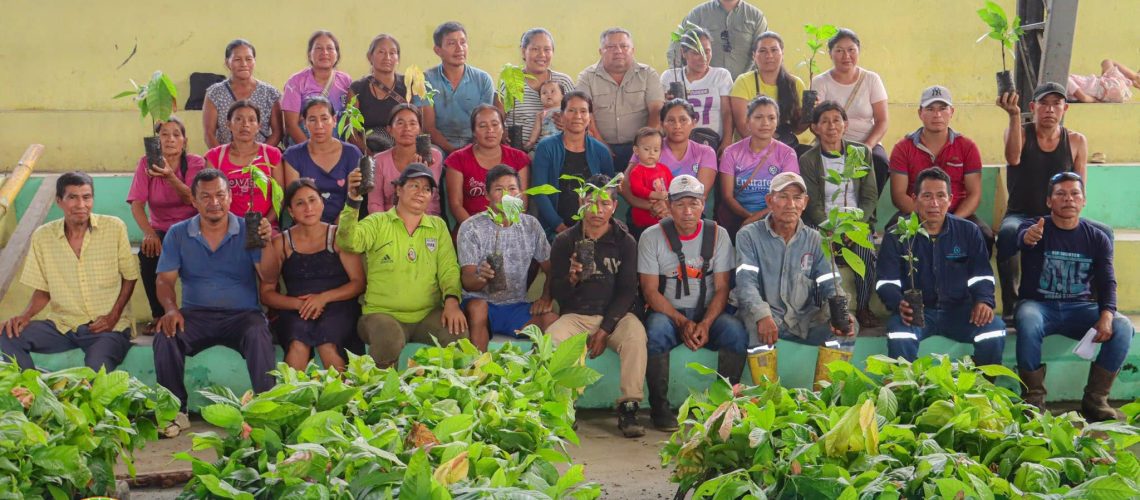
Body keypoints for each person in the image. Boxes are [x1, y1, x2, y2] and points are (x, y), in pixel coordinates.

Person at [153, 168, 276, 434]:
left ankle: (266, 411)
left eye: (220, 195)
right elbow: (164, 280)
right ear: (194, 201)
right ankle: (175, 412)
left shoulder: (249, 229)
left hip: (242, 316)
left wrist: (266, 243)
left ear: (231, 197)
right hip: (196, 315)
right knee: (166, 335)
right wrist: (171, 309)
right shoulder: (178, 233)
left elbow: (269, 276)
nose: (214, 202)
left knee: (258, 332)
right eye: (205, 197)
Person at [1015, 172, 1134, 420]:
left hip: (1080, 308)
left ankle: (1095, 399)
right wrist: (1028, 238)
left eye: (1074, 193)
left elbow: (1107, 281)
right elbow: (1023, 239)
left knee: (1122, 326)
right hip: (1039, 306)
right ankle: (1033, 399)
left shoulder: (1097, 237)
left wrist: (1106, 314)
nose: (1068, 199)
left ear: (1083, 200)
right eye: (1060, 193)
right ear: (1049, 201)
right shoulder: (1035, 227)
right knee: (1027, 319)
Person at [996, 82, 1111, 320]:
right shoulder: (1018, 130)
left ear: (1065, 108)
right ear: (1032, 106)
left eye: (1056, 104)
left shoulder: (1077, 140)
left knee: (1104, 233)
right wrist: (1014, 115)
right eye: (1044, 104)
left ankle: (1097, 301)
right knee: (1007, 233)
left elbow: (1079, 187)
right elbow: (1012, 158)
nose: (1050, 109)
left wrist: (1072, 217)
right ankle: (1011, 304)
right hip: (1022, 214)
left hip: (1060, 217)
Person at [639, 175, 745, 431]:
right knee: (655, 332)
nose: (687, 212)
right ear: (668, 205)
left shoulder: (718, 235)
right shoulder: (652, 236)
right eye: (679, 204)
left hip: (709, 313)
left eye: (694, 204)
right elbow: (650, 291)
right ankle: (660, 408)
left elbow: (722, 288)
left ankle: (725, 406)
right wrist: (681, 321)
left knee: (735, 332)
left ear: (703, 204)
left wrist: (706, 324)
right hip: (669, 313)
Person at [0, 173, 137, 372]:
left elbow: (130, 277)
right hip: (63, 326)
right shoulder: (43, 237)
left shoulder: (114, 228)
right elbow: (44, 290)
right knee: (7, 335)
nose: (81, 204)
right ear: (59, 201)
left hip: (107, 328)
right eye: (72, 197)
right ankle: (35, 394)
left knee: (96, 370)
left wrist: (113, 316)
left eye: (86, 197)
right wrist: (25, 316)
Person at [339, 163, 467, 368]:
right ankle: (382, 394)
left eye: (426, 189)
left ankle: (437, 395)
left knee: (457, 332)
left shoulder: (438, 226)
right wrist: (353, 200)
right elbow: (348, 242)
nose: (420, 193)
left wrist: (452, 300)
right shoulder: (377, 222)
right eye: (414, 186)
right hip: (380, 314)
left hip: (426, 314)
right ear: (398, 189)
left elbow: (449, 268)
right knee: (389, 338)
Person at [547, 173, 646, 438]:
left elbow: (627, 291)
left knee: (636, 336)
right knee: (552, 339)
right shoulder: (565, 240)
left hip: (614, 316)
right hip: (577, 315)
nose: (597, 210)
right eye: (591, 202)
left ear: (614, 206)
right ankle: (564, 407)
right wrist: (571, 278)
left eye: (604, 203)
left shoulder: (625, 242)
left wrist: (605, 329)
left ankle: (629, 406)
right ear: (581, 202)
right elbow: (558, 293)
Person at [876, 167, 1005, 365]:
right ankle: (906, 389)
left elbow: (982, 275)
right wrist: (898, 302)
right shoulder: (897, 235)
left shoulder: (968, 231)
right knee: (900, 335)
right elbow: (886, 281)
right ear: (914, 199)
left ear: (950, 199)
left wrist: (984, 301)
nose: (934, 203)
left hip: (961, 311)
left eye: (940, 196)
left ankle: (982, 386)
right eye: (927, 196)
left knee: (994, 329)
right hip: (917, 313)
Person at [733, 172, 856, 351]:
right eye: (783, 197)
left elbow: (831, 284)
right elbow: (746, 284)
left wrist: (840, 314)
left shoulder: (816, 239)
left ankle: (830, 380)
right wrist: (762, 315)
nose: (791, 205)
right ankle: (764, 380)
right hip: (765, 316)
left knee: (846, 328)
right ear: (769, 201)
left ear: (805, 203)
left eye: (797, 198)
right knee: (755, 326)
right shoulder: (748, 235)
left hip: (804, 319)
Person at [259, 179, 364, 373]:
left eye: (313, 200)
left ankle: (344, 400)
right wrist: (300, 305)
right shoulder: (281, 242)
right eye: (300, 203)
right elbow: (266, 293)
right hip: (297, 309)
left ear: (322, 204)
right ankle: (291, 400)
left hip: (338, 305)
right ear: (290, 211)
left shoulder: (338, 236)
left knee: (327, 343)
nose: (308, 208)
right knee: (298, 344)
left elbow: (358, 283)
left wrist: (323, 298)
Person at [457, 165, 556, 351]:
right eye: (498, 189)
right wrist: (481, 276)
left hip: (515, 306)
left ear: (520, 194)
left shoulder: (530, 225)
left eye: (512, 189)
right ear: (486, 195)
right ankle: (479, 371)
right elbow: (467, 281)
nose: (506, 195)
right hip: (480, 303)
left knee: (551, 321)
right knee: (478, 308)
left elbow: (551, 267)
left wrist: (546, 295)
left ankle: (537, 374)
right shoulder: (471, 227)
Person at [799, 101, 879, 328]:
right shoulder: (809, 160)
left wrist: (853, 226)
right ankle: (817, 308)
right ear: (814, 127)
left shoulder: (861, 153)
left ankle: (863, 307)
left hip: (855, 222)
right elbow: (812, 202)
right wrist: (829, 227)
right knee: (817, 253)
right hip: (823, 223)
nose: (831, 126)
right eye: (824, 121)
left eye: (836, 120)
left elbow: (869, 196)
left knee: (865, 252)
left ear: (846, 124)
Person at [889, 85, 993, 252]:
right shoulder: (903, 148)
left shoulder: (967, 147)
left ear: (952, 112)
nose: (937, 115)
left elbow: (974, 194)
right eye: (930, 109)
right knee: (893, 234)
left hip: (957, 213)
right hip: (915, 215)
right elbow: (899, 195)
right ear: (920, 113)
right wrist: (928, 217)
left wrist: (952, 221)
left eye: (943, 109)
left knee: (984, 236)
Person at [127, 117, 204, 333]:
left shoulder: (196, 162)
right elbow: (137, 205)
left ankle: (197, 314)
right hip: (161, 230)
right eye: (164, 134)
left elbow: (194, 199)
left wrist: (169, 175)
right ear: (156, 140)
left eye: (176, 135)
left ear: (184, 141)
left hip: (192, 227)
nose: (170, 139)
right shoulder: (146, 163)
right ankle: (159, 315)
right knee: (148, 253)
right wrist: (149, 233)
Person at [811, 29, 890, 195]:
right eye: (839, 50)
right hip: (831, 141)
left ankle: (869, 212)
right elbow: (815, 123)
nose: (846, 56)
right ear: (830, 54)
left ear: (858, 51)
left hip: (865, 141)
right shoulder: (820, 81)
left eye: (851, 50)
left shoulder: (871, 79)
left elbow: (882, 121)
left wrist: (867, 147)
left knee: (880, 162)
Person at [576, 27, 665, 169]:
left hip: (641, 147)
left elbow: (656, 111)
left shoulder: (648, 74)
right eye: (611, 46)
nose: (618, 51)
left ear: (633, 50)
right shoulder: (587, 77)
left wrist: (645, 146)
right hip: (598, 145)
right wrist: (601, 144)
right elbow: (585, 113)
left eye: (624, 46)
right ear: (600, 51)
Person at [531, 91, 616, 238]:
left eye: (583, 111)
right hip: (554, 230)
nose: (577, 116)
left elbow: (610, 193)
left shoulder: (601, 151)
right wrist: (559, 226)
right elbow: (540, 190)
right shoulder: (546, 148)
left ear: (590, 118)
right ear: (562, 115)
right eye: (571, 110)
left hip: (594, 229)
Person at [717, 96, 799, 237]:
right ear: (748, 122)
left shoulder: (787, 154)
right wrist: (749, 216)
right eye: (759, 117)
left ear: (777, 122)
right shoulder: (731, 152)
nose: (765, 123)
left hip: (777, 217)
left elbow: (788, 196)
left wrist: (757, 218)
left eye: (771, 118)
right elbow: (727, 196)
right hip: (738, 218)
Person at [445, 105, 531, 224]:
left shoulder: (518, 158)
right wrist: (477, 231)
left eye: (495, 124)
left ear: (503, 129)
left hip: (510, 227)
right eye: (482, 126)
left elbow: (522, 200)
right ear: (474, 131)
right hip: (472, 229)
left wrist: (507, 227)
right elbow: (456, 204)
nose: (490, 130)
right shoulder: (457, 159)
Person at [282, 96, 363, 222]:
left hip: (344, 226)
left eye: (324, 119)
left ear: (334, 120)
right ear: (305, 123)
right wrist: (318, 232)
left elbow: (353, 198)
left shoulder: (352, 153)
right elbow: (296, 200)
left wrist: (334, 231)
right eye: (312, 120)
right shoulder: (293, 155)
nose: (319, 126)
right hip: (305, 226)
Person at [422, 22, 497, 154]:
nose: (459, 49)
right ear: (437, 50)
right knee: (434, 156)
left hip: (477, 145)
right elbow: (429, 128)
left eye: (463, 42)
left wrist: (467, 153)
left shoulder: (483, 79)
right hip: (440, 146)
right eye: (451, 43)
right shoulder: (426, 80)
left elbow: (485, 123)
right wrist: (455, 153)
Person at [204, 101, 285, 224]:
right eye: (238, 119)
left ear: (259, 126)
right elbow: (209, 197)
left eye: (251, 120)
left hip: (265, 226)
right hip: (226, 227)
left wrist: (265, 223)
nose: (245, 124)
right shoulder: (215, 156)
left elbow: (279, 197)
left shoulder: (272, 154)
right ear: (228, 125)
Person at [729, 32, 809, 152]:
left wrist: (809, 112)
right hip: (751, 150)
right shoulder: (743, 82)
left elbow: (798, 129)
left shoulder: (795, 84)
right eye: (763, 51)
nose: (769, 55)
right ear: (753, 56)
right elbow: (743, 127)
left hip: (786, 150)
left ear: (782, 53)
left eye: (774, 50)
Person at [660, 25, 734, 152]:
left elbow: (727, 112)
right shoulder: (671, 76)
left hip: (712, 143)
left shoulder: (721, 75)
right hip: (678, 144)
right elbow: (660, 114)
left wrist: (727, 141)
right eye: (696, 53)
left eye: (707, 51)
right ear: (683, 53)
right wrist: (665, 103)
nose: (703, 58)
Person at [203, 39, 283, 148]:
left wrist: (257, 158)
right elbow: (209, 133)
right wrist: (223, 158)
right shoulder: (214, 93)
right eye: (237, 59)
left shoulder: (270, 93)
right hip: (224, 161)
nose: (244, 64)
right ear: (227, 63)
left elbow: (277, 132)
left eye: (249, 59)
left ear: (254, 61)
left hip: (260, 160)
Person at [368, 104, 445, 216]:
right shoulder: (379, 160)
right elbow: (375, 203)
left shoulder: (433, 156)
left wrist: (418, 176)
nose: (407, 128)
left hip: (425, 221)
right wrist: (385, 226)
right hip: (389, 224)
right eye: (400, 123)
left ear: (420, 129)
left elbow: (428, 199)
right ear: (389, 130)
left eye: (413, 123)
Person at [508, 28, 577, 149]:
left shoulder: (564, 82)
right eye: (535, 49)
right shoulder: (511, 81)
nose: (542, 55)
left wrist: (568, 122)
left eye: (547, 49)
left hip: (562, 150)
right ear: (524, 51)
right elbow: (497, 118)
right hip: (518, 151)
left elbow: (580, 116)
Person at [346, 34, 414, 155]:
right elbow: (351, 132)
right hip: (367, 153)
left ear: (398, 58)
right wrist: (369, 156)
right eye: (381, 52)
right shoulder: (357, 89)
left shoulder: (409, 86)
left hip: (402, 151)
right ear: (369, 57)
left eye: (392, 53)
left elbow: (417, 127)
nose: (387, 57)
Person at [282, 30, 353, 146]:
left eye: (330, 48)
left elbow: (349, 121)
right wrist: (312, 152)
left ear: (337, 54)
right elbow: (291, 125)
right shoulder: (296, 82)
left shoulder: (346, 81)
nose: (324, 52)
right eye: (319, 48)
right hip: (305, 146)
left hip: (337, 147)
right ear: (310, 54)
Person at [669, 0, 768, 79]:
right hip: (706, 89)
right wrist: (680, 80)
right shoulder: (697, 14)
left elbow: (764, 53)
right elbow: (676, 46)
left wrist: (753, 83)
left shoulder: (756, 17)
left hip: (745, 90)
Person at [639, 99, 718, 197]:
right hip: (652, 210)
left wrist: (668, 209)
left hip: (690, 211)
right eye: (671, 121)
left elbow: (700, 195)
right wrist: (650, 207)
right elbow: (626, 185)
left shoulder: (706, 152)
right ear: (662, 124)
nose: (677, 126)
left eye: (683, 120)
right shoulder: (647, 148)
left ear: (693, 123)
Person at [621, 127, 673, 238]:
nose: (651, 153)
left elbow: (672, 186)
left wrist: (668, 204)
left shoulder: (664, 169)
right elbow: (636, 188)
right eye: (646, 149)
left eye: (656, 150)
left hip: (663, 217)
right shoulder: (637, 170)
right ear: (636, 150)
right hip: (643, 219)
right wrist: (654, 194)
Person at [1066, 59, 1139, 103]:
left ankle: (1134, 80)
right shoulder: (1066, 80)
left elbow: (1083, 98)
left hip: (1109, 95)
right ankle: (1136, 76)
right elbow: (1083, 97)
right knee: (1107, 61)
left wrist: (1099, 101)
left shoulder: (1062, 92)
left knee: (1107, 74)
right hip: (1107, 86)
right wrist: (1095, 101)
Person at [524, 80, 564, 151]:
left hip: (562, 143)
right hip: (546, 144)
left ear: (562, 96)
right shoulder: (541, 114)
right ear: (540, 98)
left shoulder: (566, 111)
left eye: (552, 91)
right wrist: (530, 142)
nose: (548, 95)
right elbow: (536, 130)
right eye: (544, 93)